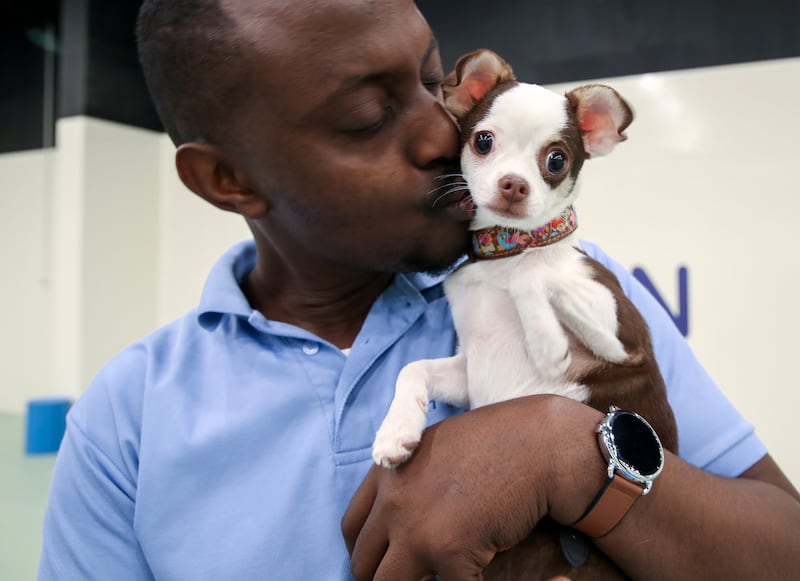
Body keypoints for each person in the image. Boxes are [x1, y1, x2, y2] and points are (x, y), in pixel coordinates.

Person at [39, 0, 800, 579]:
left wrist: (562, 451)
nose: (444, 132)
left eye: (432, 77)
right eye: (369, 117)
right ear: (228, 180)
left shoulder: (572, 273)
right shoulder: (130, 418)